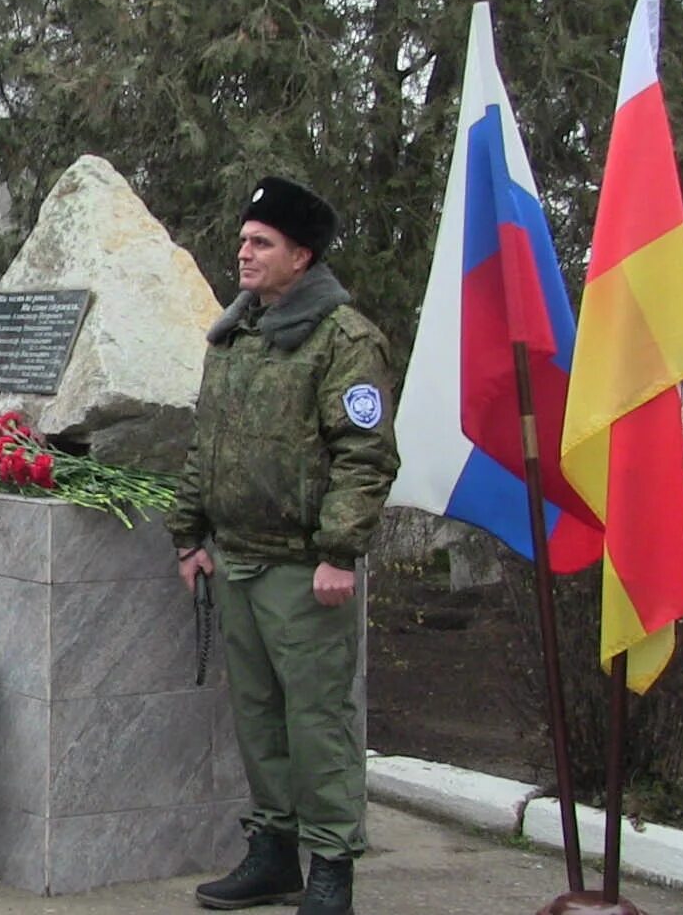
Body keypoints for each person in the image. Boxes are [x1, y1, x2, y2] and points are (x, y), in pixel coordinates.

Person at [166, 178, 398, 915]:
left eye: (261, 242)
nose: (244, 252)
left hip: (303, 569)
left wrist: (339, 551)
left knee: (317, 720)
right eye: (242, 239)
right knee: (258, 716)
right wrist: (188, 535)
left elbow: (365, 456)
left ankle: (332, 864)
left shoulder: (345, 340)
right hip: (235, 558)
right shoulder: (234, 337)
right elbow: (207, 444)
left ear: (301, 255)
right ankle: (273, 851)